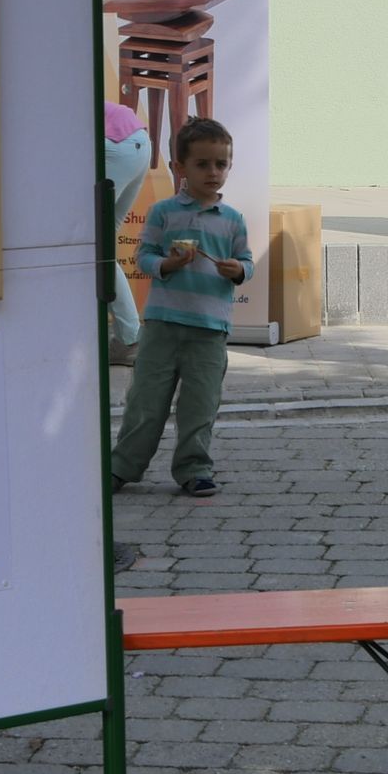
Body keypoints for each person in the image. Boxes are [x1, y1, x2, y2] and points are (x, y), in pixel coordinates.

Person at [111, 117, 252, 499]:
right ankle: (121, 467)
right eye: (202, 164)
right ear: (179, 168)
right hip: (161, 325)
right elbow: (143, 258)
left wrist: (238, 269)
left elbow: (247, 262)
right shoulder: (163, 212)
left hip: (210, 330)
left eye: (221, 164)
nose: (213, 172)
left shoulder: (233, 221)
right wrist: (168, 265)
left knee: (199, 406)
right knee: (145, 402)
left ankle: (194, 469)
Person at [103, 100, 153, 367]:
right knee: (103, 243)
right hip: (140, 140)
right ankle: (128, 338)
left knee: (95, 247)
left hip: (115, 145)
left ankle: (128, 338)